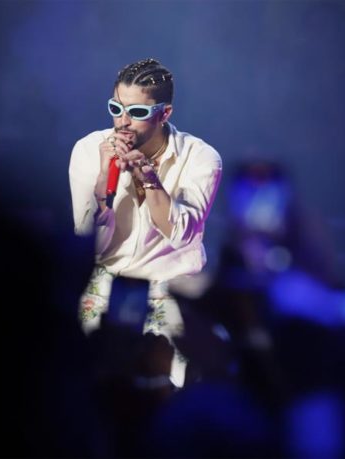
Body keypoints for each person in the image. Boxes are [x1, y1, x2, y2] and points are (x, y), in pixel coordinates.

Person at [68, 58, 222, 388]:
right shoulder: (88, 150)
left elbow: (181, 234)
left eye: (137, 112)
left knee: (176, 381)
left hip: (171, 287)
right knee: (77, 373)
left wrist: (147, 177)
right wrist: (103, 181)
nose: (122, 122)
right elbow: (88, 241)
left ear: (165, 114)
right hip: (107, 284)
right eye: (116, 108)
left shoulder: (201, 158)